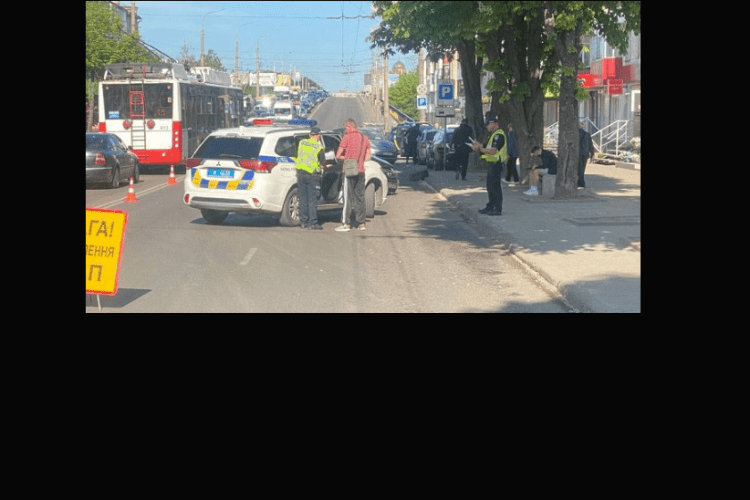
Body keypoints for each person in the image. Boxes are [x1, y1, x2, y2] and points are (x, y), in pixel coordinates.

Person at [335, 119, 371, 232]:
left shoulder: (346, 137)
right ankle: (362, 223)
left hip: (349, 171)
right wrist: (359, 162)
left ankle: (346, 223)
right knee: (360, 197)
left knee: (348, 198)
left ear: (349, 126)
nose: (345, 130)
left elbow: (338, 155)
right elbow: (368, 156)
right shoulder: (364, 138)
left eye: (345, 128)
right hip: (361, 171)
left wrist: (346, 159)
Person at [472, 114, 507, 216]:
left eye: (487, 124)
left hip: (496, 164)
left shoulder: (498, 135)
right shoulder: (493, 135)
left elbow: (492, 151)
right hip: (492, 164)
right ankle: (490, 206)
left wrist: (479, 149)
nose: (486, 127)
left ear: (493, 124)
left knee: (495, 187)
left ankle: (497, 208)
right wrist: (479, 145)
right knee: (490, 186)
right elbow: (487, 146)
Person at [295, 127, 327, 229]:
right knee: (312, 200)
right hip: (312, 175)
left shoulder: (302, 142)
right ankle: (313, 223)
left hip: (300, 174)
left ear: (310, 135)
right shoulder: (318, 146)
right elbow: (323, 161)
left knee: (303, 199)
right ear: (318, 135)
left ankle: (303, 221)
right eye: (319, 135)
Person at [578, 121, 595, 188]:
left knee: (578, 169)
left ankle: (580, 183)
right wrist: (592, 154)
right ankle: (581, 183)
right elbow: (591, 145)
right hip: (585, 154)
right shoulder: (587, 134)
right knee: (582, 169)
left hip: (578, 153)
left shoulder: (576, 134)